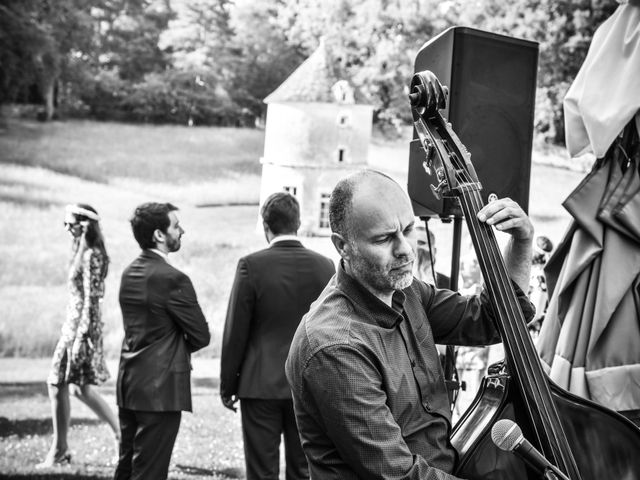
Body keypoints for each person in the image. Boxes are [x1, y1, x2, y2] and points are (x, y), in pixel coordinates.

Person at [285, 170, 535, 479]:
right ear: (342, 246)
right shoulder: (334, 347)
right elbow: (400, 474)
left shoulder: (406, 290)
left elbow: (491, 321)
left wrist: (522, 241)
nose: (405, 249)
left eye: (408, 229)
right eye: (384, 238)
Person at [220, 192, 335, 480]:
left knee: (261, 471)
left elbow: (236, 329)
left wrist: (227, 384)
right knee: (303, 469)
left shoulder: (251, 265)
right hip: (309, 386)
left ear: (265, 226)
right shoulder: (325, 266)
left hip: (259, 384)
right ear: (298, 223)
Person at [114, 202, 210, 480]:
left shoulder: (129, 272)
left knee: (126, 466)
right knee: (150, 472)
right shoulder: (173, 278)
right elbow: (201, 335)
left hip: (129, 384)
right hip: (161, 390)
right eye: (176, 226)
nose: (182, 231)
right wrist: (176, 346)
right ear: (159, 235)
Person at [37, 204, 119, 468]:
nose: (66, 228)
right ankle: (64, 449)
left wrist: (82, 338)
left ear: (84, 224)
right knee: (76, 389)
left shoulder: (92, 255)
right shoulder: (81, 251)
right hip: (72, 327)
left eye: (69, 223)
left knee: (62, 385)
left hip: (79, 331)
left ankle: (61, 450)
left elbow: (92, 300)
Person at [414, 224, 450, 289]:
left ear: (434, 250)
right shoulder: (397, 279)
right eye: (413, 243)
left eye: (421, 243)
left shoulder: (447, 283)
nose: (416, 247)